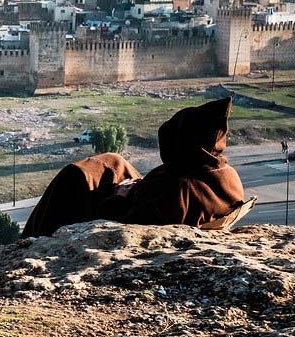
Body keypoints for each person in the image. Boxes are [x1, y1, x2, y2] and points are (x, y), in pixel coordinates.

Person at [22, 97, 245, 238]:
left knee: (74, 178)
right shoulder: (224, 174)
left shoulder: (179, 187)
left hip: (118, 208)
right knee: (114, 162)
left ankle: (32, 240)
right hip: (144, 194)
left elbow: (128, 223)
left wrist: (119, 195)